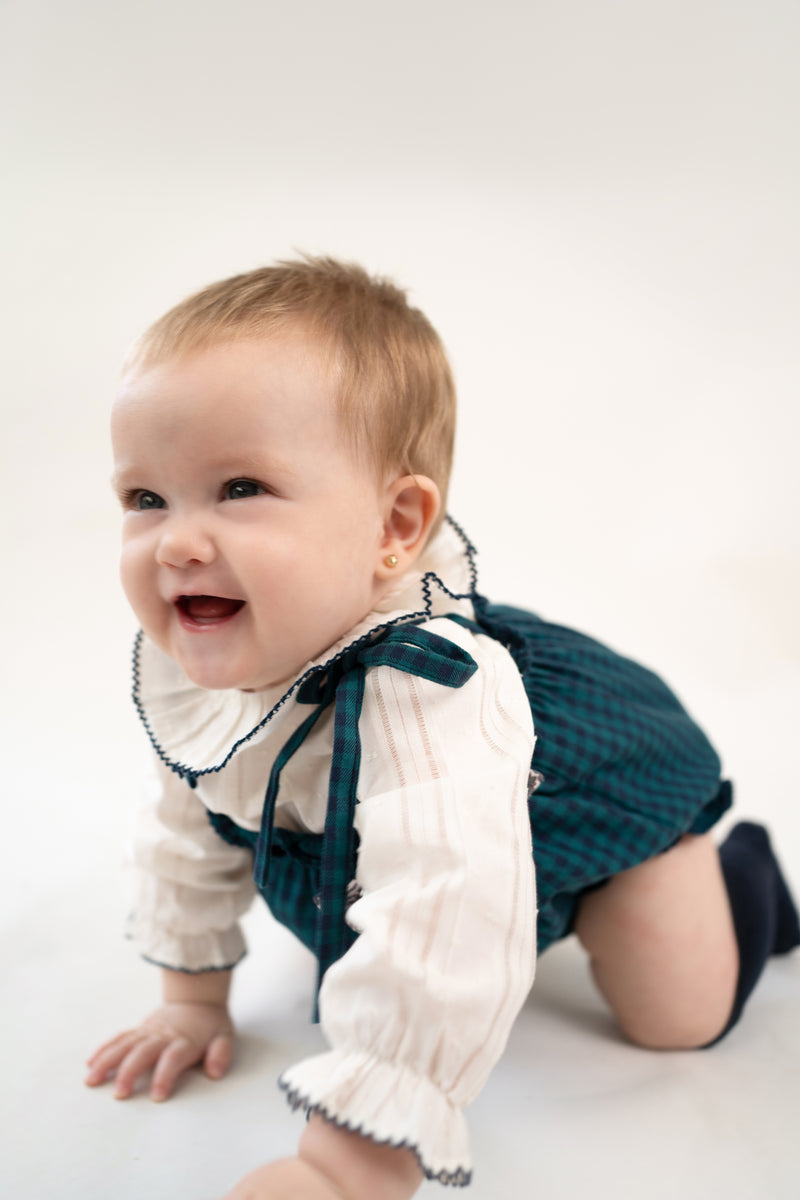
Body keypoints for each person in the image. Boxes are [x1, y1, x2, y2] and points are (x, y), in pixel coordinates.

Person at [86, 257, 799, 1199]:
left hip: (603, 803)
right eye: (146, 499)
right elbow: (191, 821)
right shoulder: (202, 672)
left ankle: (745, 876)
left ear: (396, 521)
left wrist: (353, 1161)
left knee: (679, 1019)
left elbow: (443, 907)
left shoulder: (433, 691)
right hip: (474, 838)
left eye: (241, 487)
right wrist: (190, 1001)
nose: (176, 541)